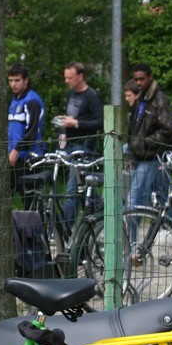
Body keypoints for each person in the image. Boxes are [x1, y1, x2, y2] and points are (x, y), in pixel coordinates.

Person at [59, 62, 104, 227]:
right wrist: (63, 132)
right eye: (65, 77)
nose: (66, 81)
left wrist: (77, 124)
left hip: (84, 148)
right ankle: (102, 211)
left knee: (72, 189)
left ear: (80, 76)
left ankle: (66, 229)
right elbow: (68, 118)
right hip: (70, 145)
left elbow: (99, 122)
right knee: (83, 187)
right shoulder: (71, 94)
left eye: (70, 78)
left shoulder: (92, 97)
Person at [127, 63, 172, 214]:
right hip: (139, 156)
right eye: (136, 79)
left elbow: (168, 129)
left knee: (133, 199)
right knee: (156, 198)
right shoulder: (140, 99)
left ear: (150, 77)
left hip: (151, 157)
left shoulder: (159, 100)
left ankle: (131, 232)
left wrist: (145, 142)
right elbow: (133, 129)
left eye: (141, 79)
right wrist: (131, 154)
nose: (138, 82)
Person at [6, 63, 46, 204]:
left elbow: (31, 133)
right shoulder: (14, 100)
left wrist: (16, 150)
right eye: (11, 80)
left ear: (26, 80)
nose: (13, 84)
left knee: (31, 203)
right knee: (6, 199)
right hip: (14, 159)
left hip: (29, 160)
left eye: (17, 80)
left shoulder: (31, 101)